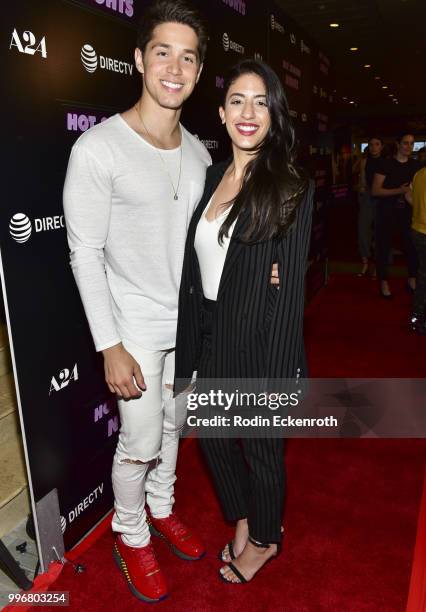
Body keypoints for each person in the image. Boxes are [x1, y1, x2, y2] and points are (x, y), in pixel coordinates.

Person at [63, 1, 211, 603]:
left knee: (176, 426)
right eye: (162, 52)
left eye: (188, 57)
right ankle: (129, 533)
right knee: (142, 441)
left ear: (199, 73)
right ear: (138, 61)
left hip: (191, 325)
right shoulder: (99, 149)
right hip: (135, 331)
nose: (174, 68)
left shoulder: (201, 152)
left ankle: (162, 506)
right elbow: (84, 254)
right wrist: (110, 345)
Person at [175, 59, 314, 584]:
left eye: (261, 102)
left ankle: (264, 539)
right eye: (237, 100)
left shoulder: (289, 185)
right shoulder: (214, 175)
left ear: (274, 115)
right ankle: (241, 516)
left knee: (260, 449)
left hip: (259, 338)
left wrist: (276, 376)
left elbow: (289, 290)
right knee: (210, 436)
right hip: (210, 329)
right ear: (221, 112)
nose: (248, 112)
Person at [372, 133, 420, 298]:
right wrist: (399, 190)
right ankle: (383, 281)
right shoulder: (385, 164)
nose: (409, 147)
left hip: (408, 213)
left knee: (411, 247)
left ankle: (412, 279)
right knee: (383, 247)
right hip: (386, 211)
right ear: (398, 144)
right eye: (405, 143)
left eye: (412, 144)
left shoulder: (416, 166)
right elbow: (375, 190)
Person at [356, 137, 384, 277]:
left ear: (381, 147)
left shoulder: (386, 162)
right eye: (371, 144)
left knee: (380, 232)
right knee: (362, 230)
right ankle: (365, 262)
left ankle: (378, 265)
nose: (373, 147)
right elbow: (362, 181)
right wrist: (361, 191)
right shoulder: (364, 161)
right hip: (367, 197)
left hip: (381, 199)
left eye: (377, 144)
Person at [406, 167, 426, 334]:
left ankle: (417, 316)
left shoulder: (419, 173)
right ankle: (418, 318)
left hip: (417, 230)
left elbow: (407, 195)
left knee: (423, 275)